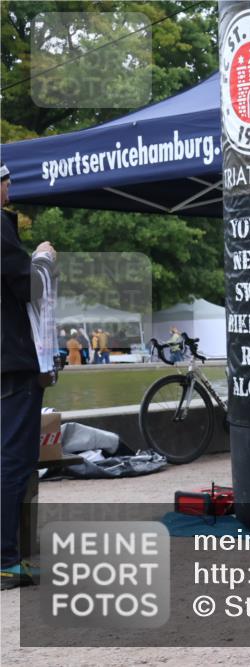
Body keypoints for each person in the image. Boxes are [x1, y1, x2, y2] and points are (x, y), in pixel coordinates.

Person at [1, 162, 57, 589]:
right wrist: (42, 258)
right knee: (12, 463)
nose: (9, 189)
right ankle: (6, 559)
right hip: (12, 365)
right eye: (6, 182)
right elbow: (30, 288)